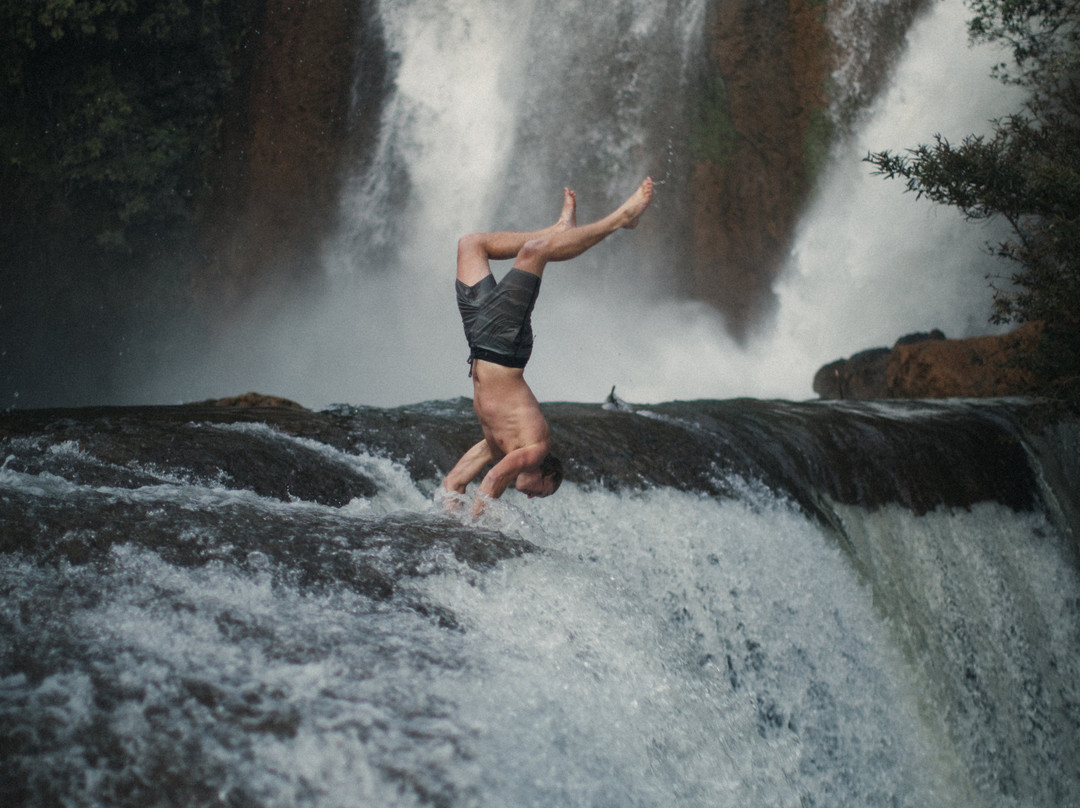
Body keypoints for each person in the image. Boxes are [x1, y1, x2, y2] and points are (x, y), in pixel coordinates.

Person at [442, 177, 654, 515]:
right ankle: (620, 219)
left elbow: (454, 481)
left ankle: (559, 229)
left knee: (470, 245)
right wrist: (474, 533)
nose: (529, 497)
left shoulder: (495, 447)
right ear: (546, 473)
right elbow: (494, 480)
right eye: (541, 493)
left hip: (478, 339)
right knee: (533, 253)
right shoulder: (536, 450)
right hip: (504, 345)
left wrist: (450, 526)